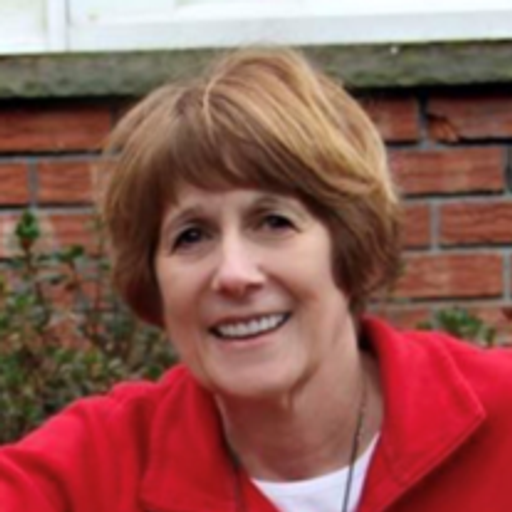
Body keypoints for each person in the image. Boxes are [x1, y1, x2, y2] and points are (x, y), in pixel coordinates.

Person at [1, 47, 511, 512]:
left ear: (351, 246)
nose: (234, 274)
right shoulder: (99, 467)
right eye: (191, 236)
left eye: (274, 222)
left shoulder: (499, 420)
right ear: (154, 280)